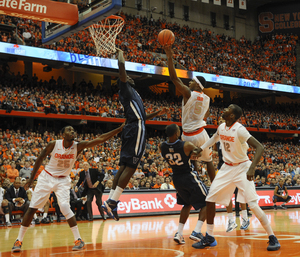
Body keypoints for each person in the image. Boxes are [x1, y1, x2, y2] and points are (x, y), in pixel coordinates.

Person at [11, 124, 124, 252]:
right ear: (63, 135)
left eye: (73, 130)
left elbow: (100, 139)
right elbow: (40, 158)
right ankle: (18, 240)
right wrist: (31, 179)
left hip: (63, 180)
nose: (72, 131)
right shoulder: (54, 144)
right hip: (47, 177)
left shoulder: (78, 146)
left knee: (65, 206)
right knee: (32, 209)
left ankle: (79, 240)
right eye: (69, 130)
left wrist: (119, 129)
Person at [192, 104, 280, 251]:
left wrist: (252, 168)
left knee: (252, 203)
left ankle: (272, 237)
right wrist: (201, 148)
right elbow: (214, 138)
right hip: (226, 167)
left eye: (228, 108)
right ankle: (210, 236)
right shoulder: (221, 127)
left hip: (243, 167)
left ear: (232, 115)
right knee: (210, 199)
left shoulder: (240, 129)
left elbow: (260, 147)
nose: (225, 109)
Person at [102, 48, 165, 221]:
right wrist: (120, 53)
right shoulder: (126, 88)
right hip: (136, 129)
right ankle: (113, 202)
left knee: (123, 167)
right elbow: (121, 65)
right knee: (131, 167)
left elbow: (141, 116)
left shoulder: (133, 93)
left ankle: (109, 201)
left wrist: (156, 114)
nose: (128, 77)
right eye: (125, 77)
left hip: (134, 127)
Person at [164, 46, 215, 182]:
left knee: (192, 163)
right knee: (208, 161)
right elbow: (207, 114)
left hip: (189, 134)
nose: (190, 82)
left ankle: (196, 184)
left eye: (192, 81)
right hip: (202, 133)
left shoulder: (188, 93)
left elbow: (174, 78)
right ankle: (215, 188)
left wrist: (169, 57)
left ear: (197, 86)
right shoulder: (207, 98)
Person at [160, 124, 208, 244]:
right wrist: (195, 152)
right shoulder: (185, 145)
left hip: (176, 178)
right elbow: (198, 154)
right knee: (208, 202)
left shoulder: (162, 146)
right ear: (177, 134)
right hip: (188, 176)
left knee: (187, 204)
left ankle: (179, 233)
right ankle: (197, 231)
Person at [214, 118, 250, 233]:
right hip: (224, 168)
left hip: (238, 167)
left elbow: (245, 149)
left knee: (241, 192)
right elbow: (216, 150)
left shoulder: (237, 136)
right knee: (226, 194)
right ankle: (231, 220)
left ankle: (244, 218)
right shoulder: (218, 140)